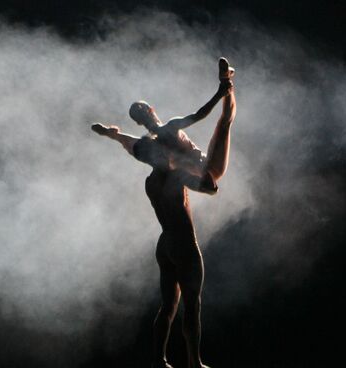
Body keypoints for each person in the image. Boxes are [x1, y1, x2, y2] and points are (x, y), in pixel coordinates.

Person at [91, 58, 237, 368]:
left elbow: (137, 147)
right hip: (183, 241)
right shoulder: (174, 172)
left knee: (168, 305)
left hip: (165, 244)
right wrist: (204, 181)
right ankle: (195, 362)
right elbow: (210, 185)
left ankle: (159, 359)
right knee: (191, 305)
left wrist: (113, 135)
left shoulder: (151, 179)